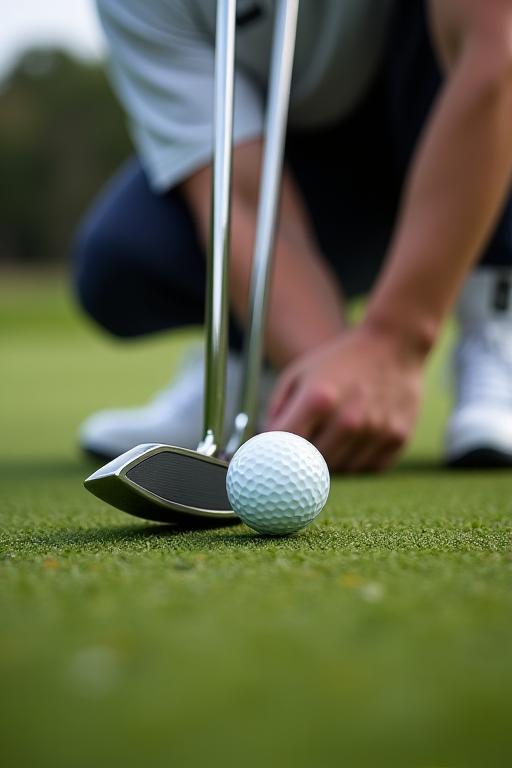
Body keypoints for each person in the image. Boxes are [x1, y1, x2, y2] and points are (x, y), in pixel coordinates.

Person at [74, 0, 512, 472]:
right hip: (309, 159)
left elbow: (495, 53)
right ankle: (260, 363)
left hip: (453, 115)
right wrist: (333, 381)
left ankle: (498, 326)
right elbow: (241, 196)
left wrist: (396, 338)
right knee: (129, 251)